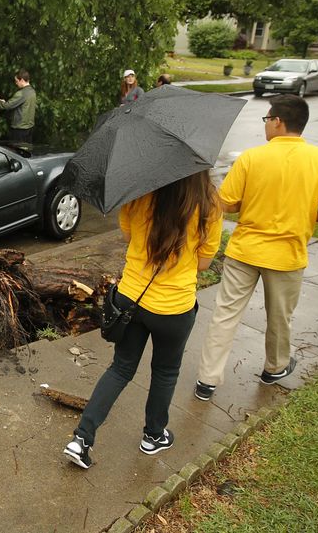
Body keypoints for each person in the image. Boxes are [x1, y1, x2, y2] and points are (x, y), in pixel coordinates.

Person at [63, 171, 223, 469]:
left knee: (121, 369)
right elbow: (203, 263)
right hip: (174, 308)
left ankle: (81, 439)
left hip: (131, 301)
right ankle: (153, 436)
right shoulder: (210, 202)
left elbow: (127, 236)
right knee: (165, 371)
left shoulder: (140, 190)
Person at [194, 95, 318, 401]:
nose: (265, 125)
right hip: (287, 256)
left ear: (278, 121)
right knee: (279, 317)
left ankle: (207, 380)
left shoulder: (251, 158)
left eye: (267, 119)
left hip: (245, 251)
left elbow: (226, 203)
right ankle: (274, 367)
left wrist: (253, 203)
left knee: (225, 315)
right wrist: (299, 211)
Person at [0, 69, 36, 143]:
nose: (16, 83)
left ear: (22, 80)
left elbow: (8, 106)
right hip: (29, 127)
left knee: (17, 151)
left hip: (20, 129)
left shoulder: (21, 93)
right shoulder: (32, 91)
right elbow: (18, 104)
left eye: (17, 81)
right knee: (27, 150)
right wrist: (5, 102)